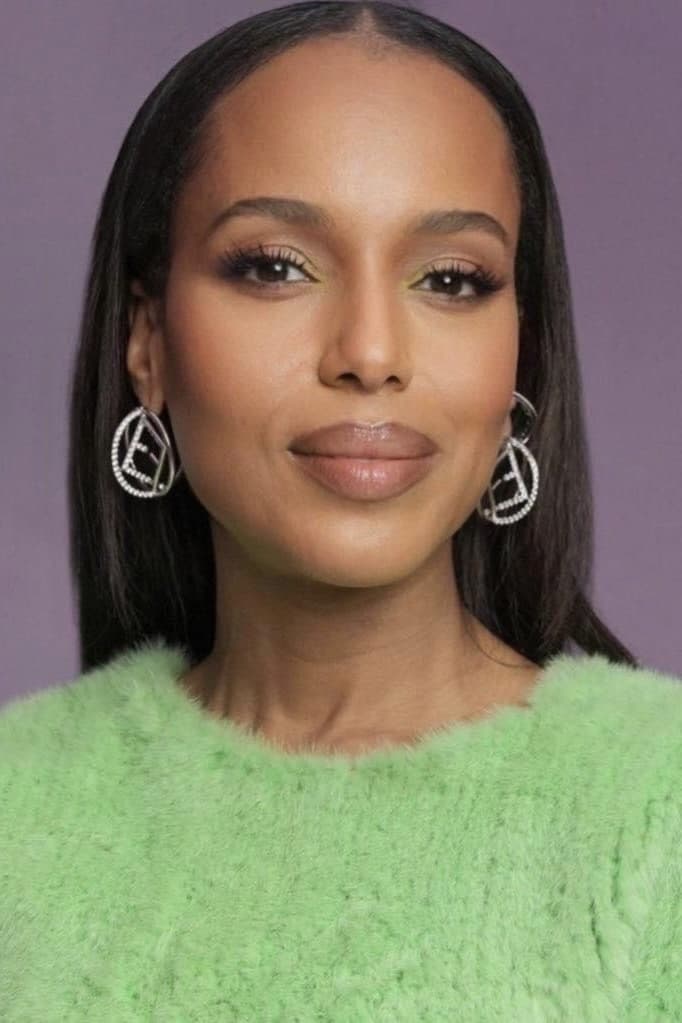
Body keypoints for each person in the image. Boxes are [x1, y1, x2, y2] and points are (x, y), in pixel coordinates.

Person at [1, 2, 680, 1019]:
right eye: (275, 267)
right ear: (147, 342)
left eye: (450, 279)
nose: (369, 352)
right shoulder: (20, 806)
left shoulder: (659, 814)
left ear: (519, 354)